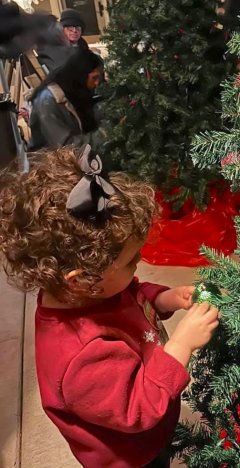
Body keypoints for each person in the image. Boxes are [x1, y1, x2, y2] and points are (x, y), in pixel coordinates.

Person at [0, 145, 220, 467]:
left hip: (153, 423)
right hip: (131, 453)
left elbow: (129, 295)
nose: (139, 265)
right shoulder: (81, 358)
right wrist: (182, 344)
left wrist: (163, 298)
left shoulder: (92, 291)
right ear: (80, 280)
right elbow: (140, 408)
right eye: (130, 261)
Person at [28, 47, 103, 150]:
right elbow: (66, 147)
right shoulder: (47, 102)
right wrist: (104, 135)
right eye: (94, 78)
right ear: (80, 75)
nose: (97, 83)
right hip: (50, 162)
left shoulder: (77, 92)